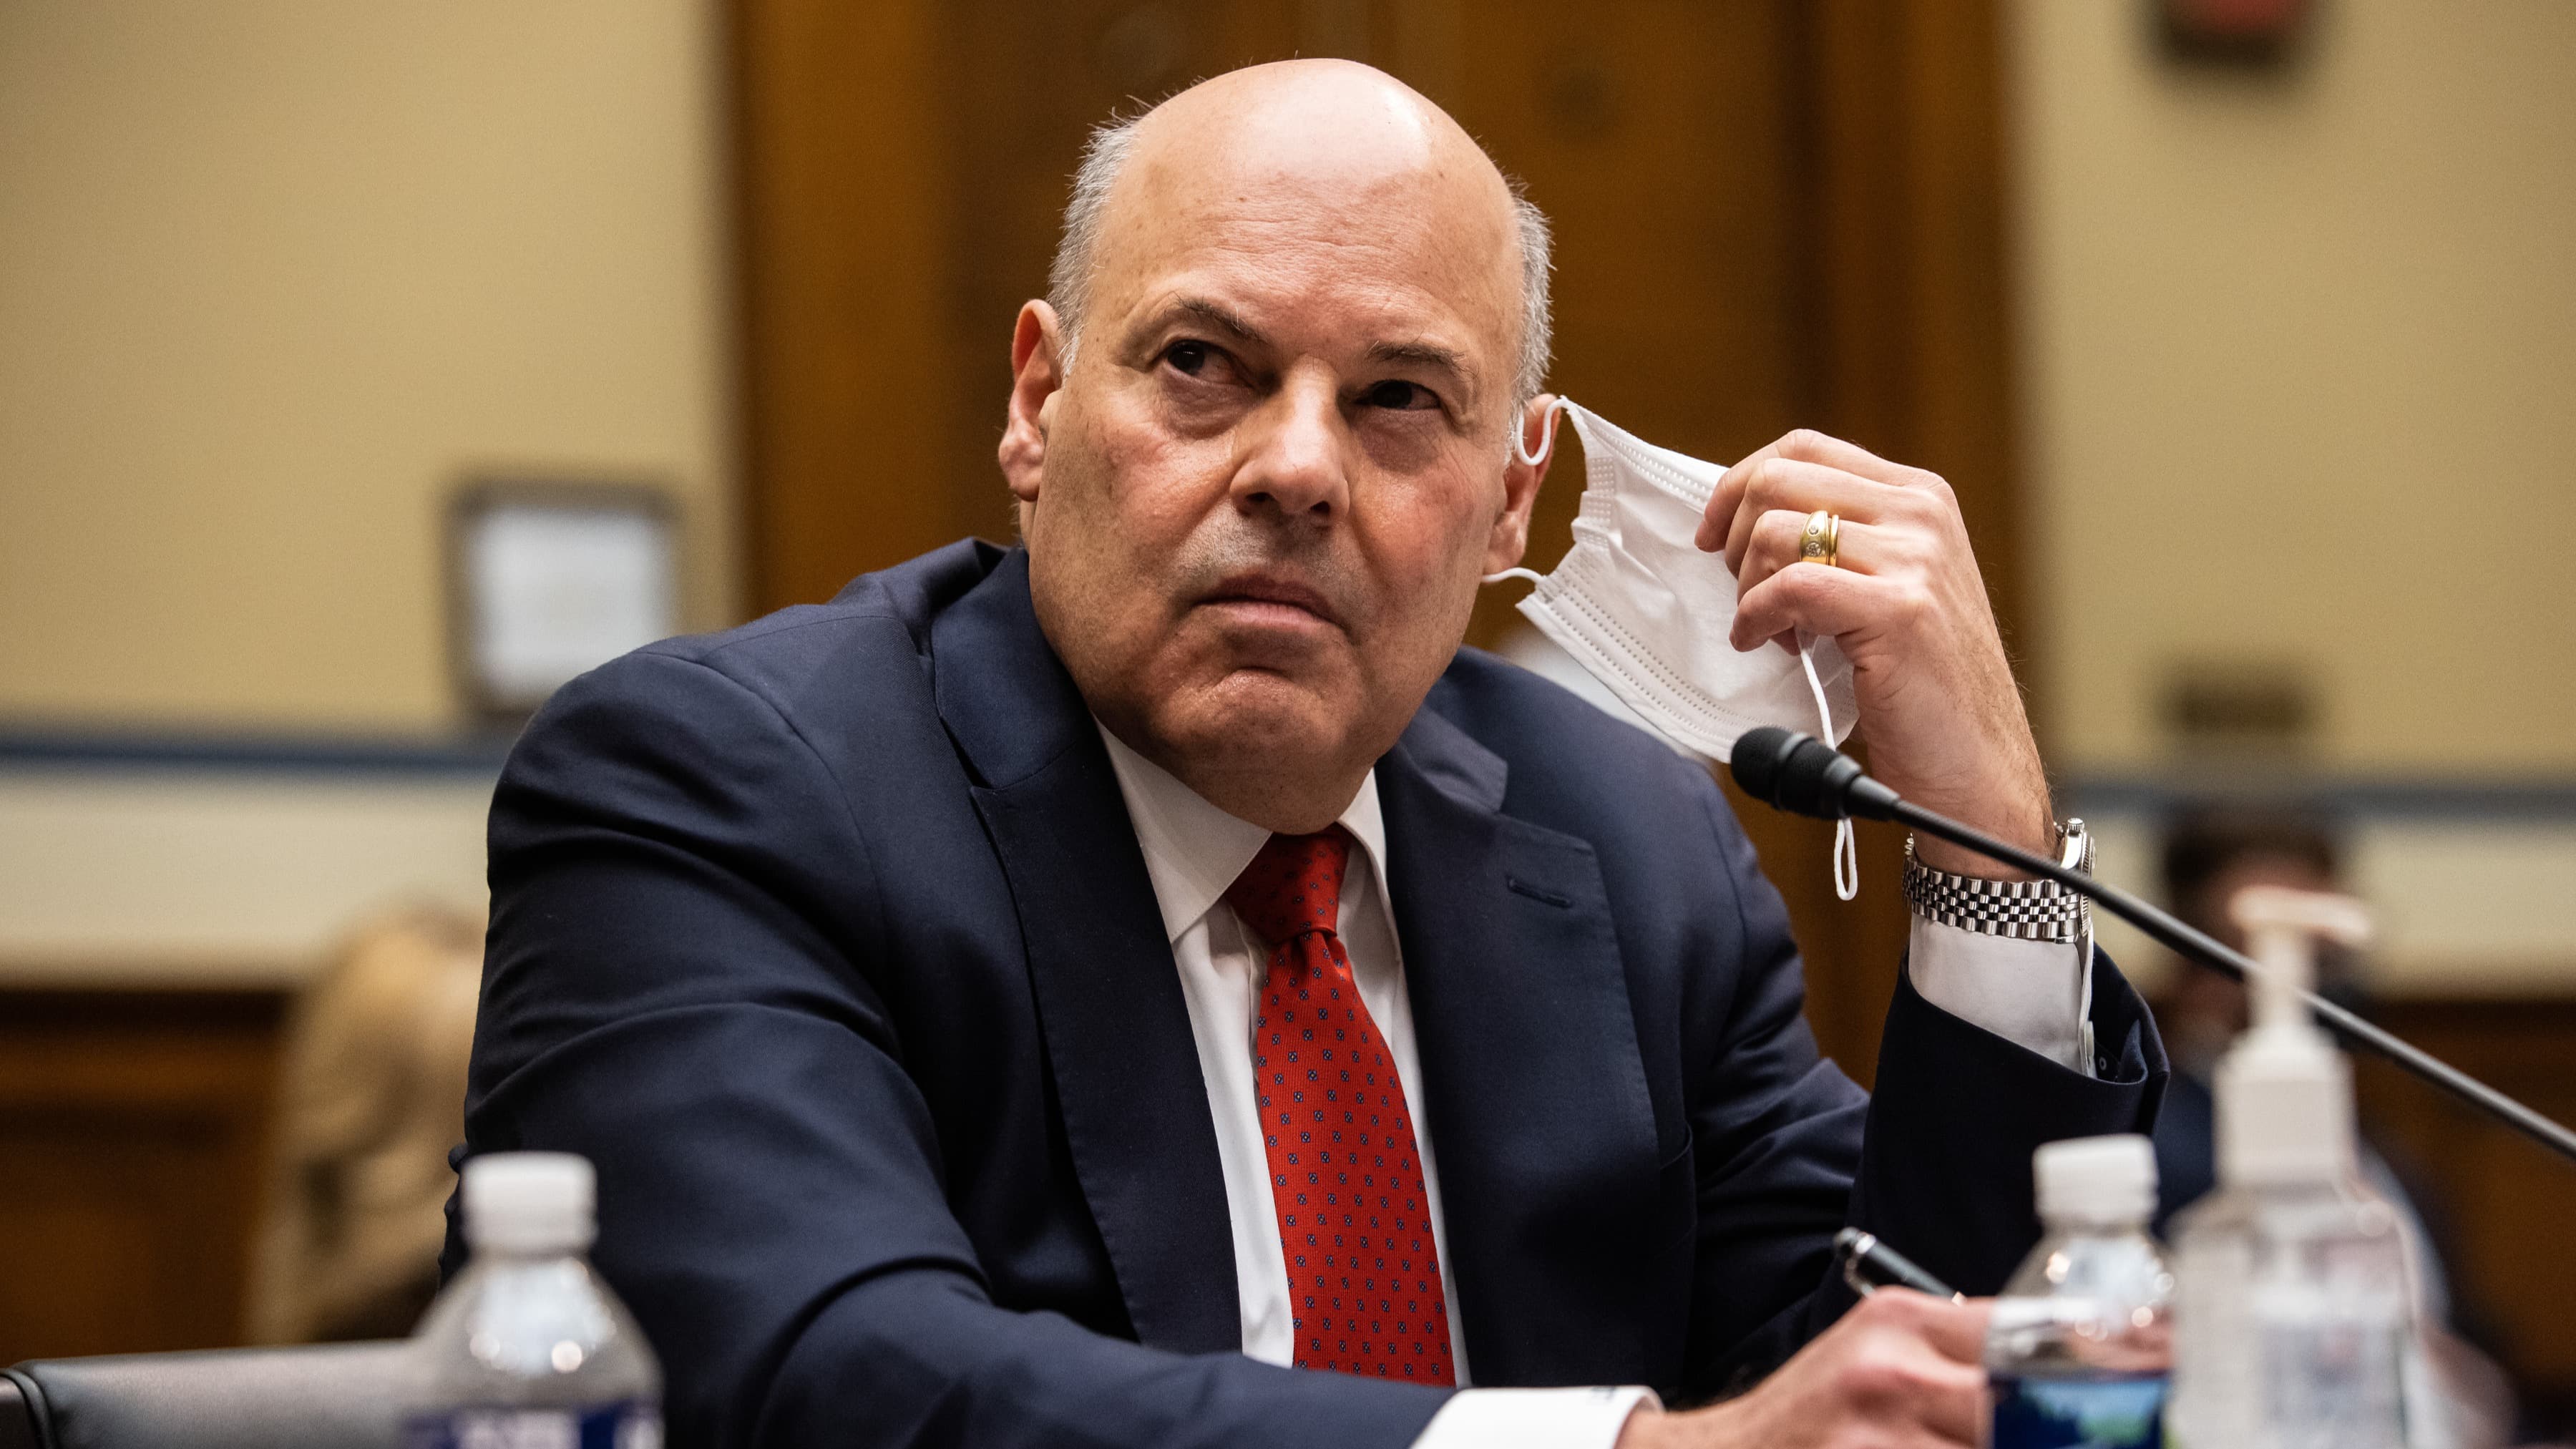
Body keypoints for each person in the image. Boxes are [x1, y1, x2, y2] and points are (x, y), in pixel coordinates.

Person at [448, 59, 2163, 1449]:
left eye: (1401, 397)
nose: (1296, 469)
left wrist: (1988, 846)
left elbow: (1910, 1359)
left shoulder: (1630, 843)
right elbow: (816, 1374)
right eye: (1205, 365)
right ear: (1039, 404)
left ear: (1511, 493)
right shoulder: (718, 785)